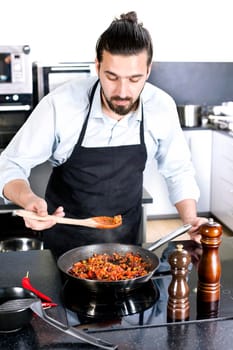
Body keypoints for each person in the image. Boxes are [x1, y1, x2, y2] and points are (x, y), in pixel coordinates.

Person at [0, 11, 207, 258]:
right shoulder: (61, 105)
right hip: (64, 248)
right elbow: (9, 164)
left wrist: (190, 220)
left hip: (127, 246)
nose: (122, 91)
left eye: (134, 78)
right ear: (97, 66)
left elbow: (178, 170)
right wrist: (28, 199)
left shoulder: (161, 106)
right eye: (111, 77)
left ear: (148, 70)